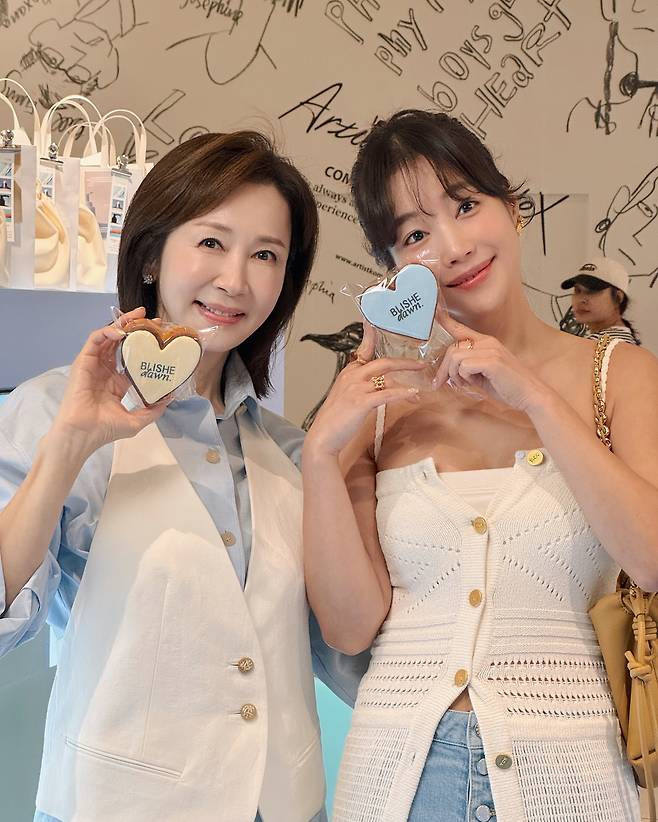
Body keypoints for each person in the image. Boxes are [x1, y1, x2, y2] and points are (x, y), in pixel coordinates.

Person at [302, 109, 658, 822]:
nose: (454, 246)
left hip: (572, 777)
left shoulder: (619, 375)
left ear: (513, 208)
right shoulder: (382, 405)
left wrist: (533, 396)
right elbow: (349, 628)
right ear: (394, 267)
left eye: (465, 205)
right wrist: (320, 457)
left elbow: (650, 558)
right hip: (395, 779)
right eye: (415, 234)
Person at [0, 131, 366, 822]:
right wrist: (68, 446)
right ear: (150, 256)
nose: (235, 280)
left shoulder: (294, 451)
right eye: (211, 242)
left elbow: (349, 653)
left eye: (266, 255)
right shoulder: (53, 409)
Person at [562, 256, 641, 344]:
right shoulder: (614, 340)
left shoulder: (609, 343)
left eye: (592, 291)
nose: (581, 299)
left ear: (618, 298)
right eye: (577, 290)